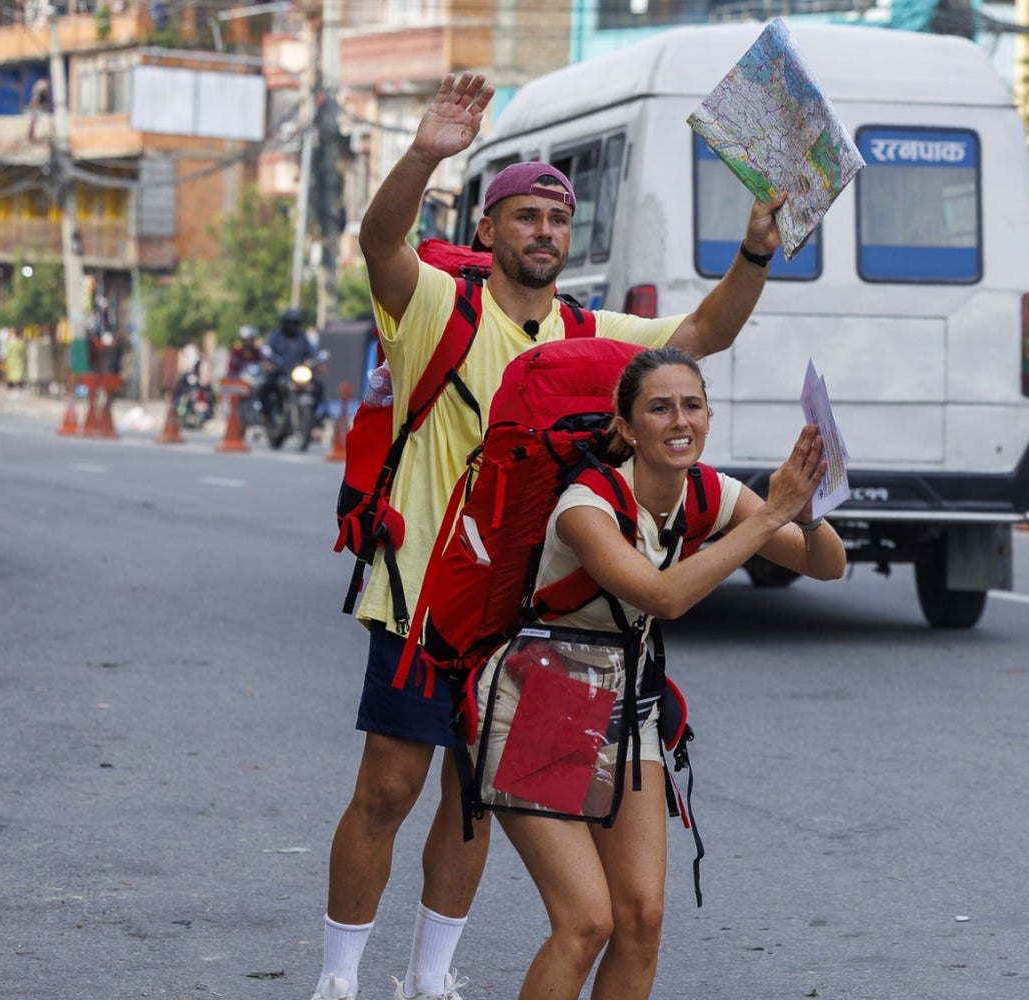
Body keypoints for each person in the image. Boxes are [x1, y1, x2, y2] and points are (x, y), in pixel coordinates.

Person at [312, 72, 789, 1000]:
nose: (543, 234)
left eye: (557, 220)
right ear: (488, 231)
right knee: (388, 791)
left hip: (528, 616)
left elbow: (703, 333)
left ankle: (430, 975)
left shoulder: (590, 333)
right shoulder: (437, 312)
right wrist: (425, 153)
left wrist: (755, 255)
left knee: (474, 800)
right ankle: (337, 980)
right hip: (423, 595)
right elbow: (380, 242)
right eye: (525, 217)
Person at [496, 347, 845, 1000]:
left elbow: (827, 566)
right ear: (626, 426)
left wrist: (806, 510)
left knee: (642, 921)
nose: (679, 419)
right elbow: (664, 597)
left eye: (692, 405)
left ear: (709, 415)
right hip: (545, 703)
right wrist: (771, 512)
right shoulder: (586, 505)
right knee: (584, 922)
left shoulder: (707, 491)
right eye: (659, 407)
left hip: (630, 711)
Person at [270, 307, 319, 372]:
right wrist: (271, 363)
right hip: (279, 372)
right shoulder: (275, 337)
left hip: (299, 372)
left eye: (295, 322)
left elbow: (311, 352)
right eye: (289, 322)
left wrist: (311, 361)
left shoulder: (302, 338)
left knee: (316, 382)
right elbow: (267, 351)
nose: (291, 325)